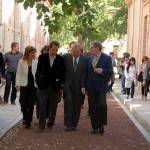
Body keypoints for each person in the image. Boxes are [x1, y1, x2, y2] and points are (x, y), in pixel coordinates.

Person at [81, 41, 113, 134]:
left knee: (102, 104)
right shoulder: (88, 59)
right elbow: (85, 73)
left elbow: (110, 71)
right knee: (93, 107)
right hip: (91, 86)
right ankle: (94, 127)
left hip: (102, 86)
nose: (90, 49)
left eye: (92, 48)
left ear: (98, 48)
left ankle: (101, 124)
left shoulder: (106, 58)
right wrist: (83, 85)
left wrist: (102, 70)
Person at [35, 41, 65, 131]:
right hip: (43, 86)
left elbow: (62, 74)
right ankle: (42, 124)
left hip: (55, 87)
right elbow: (38, 72)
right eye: (53, 49)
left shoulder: (60, 59)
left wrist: (60, 84)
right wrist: (39, 82)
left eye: (56, 50)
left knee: (53, 106)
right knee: (42, 105)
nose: (54, 51)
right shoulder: (42, 57)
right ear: (49, 48)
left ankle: (51, 122)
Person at [63, 44, 87, 131]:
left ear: (80, 51)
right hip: (68, 84)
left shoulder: (85, 59)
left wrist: (84, 86)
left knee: (77, 105)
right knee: (68, 102)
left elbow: (85, 73)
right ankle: (68, 123)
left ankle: (74, 124)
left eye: (77, 52)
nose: (76, 54)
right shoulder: (66, 57)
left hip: (79, 86)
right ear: (71, 50)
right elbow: (63, 71)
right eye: (74, 52)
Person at [16, 46, 37, 128]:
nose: (34, 54)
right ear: (28, 53)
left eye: (34, 53)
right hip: (24, 85)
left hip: (33, 86)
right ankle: (24, 115)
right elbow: (18, 73)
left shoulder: (36, 62)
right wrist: (17, 84)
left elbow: (38, 75)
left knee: (31, 104)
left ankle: (28, 121)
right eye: (32, 53)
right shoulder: (21, 61)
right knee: (23, 102)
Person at [36, 45, 50, 119]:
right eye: (45, 50)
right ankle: (39, 117)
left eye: (48, 50)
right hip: (41, 83)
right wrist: (38, 82)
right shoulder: (40, 58)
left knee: (48, 102)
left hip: (49, 84)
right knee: (40, 101)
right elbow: (38, 71)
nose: (46, 51)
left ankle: (47, 116)